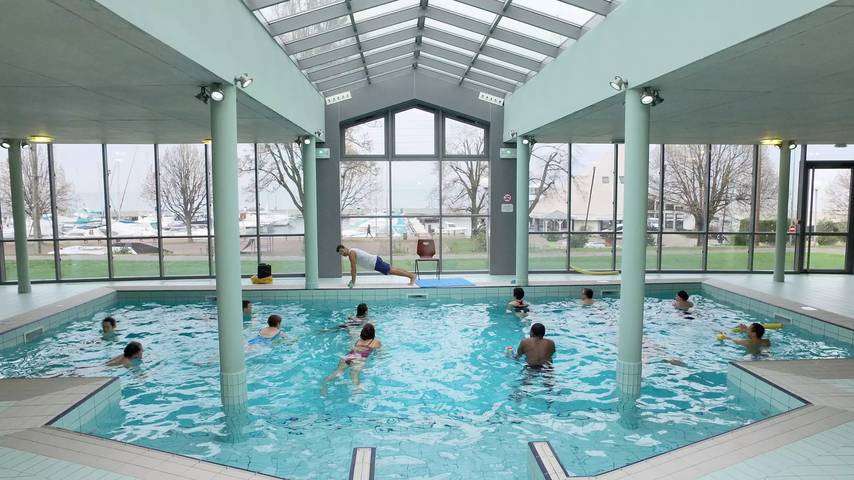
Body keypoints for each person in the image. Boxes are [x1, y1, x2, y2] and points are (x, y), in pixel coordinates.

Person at [322, 323, 381, 392]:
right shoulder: (375, 342)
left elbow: (351, 347)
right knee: (355, 377)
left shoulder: (358, 341)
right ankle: (358, 391)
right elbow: (378, 352)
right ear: (373, 334)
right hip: (358, 359)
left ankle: (325, 384)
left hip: (348, 356)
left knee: (337, 372)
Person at [337, 244, 415, 287]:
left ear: (345, 248)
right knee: (392, 269)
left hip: (374, 262)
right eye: (340, 253)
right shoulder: (352, 251)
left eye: (342, 251)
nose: (342, 254)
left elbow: (353, 269)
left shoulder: (351, 253)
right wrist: (352, 281)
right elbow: (353, 268)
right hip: (375, 261)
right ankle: (411, 275)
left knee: (391, 271)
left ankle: (411, 276)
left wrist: (353, 282)